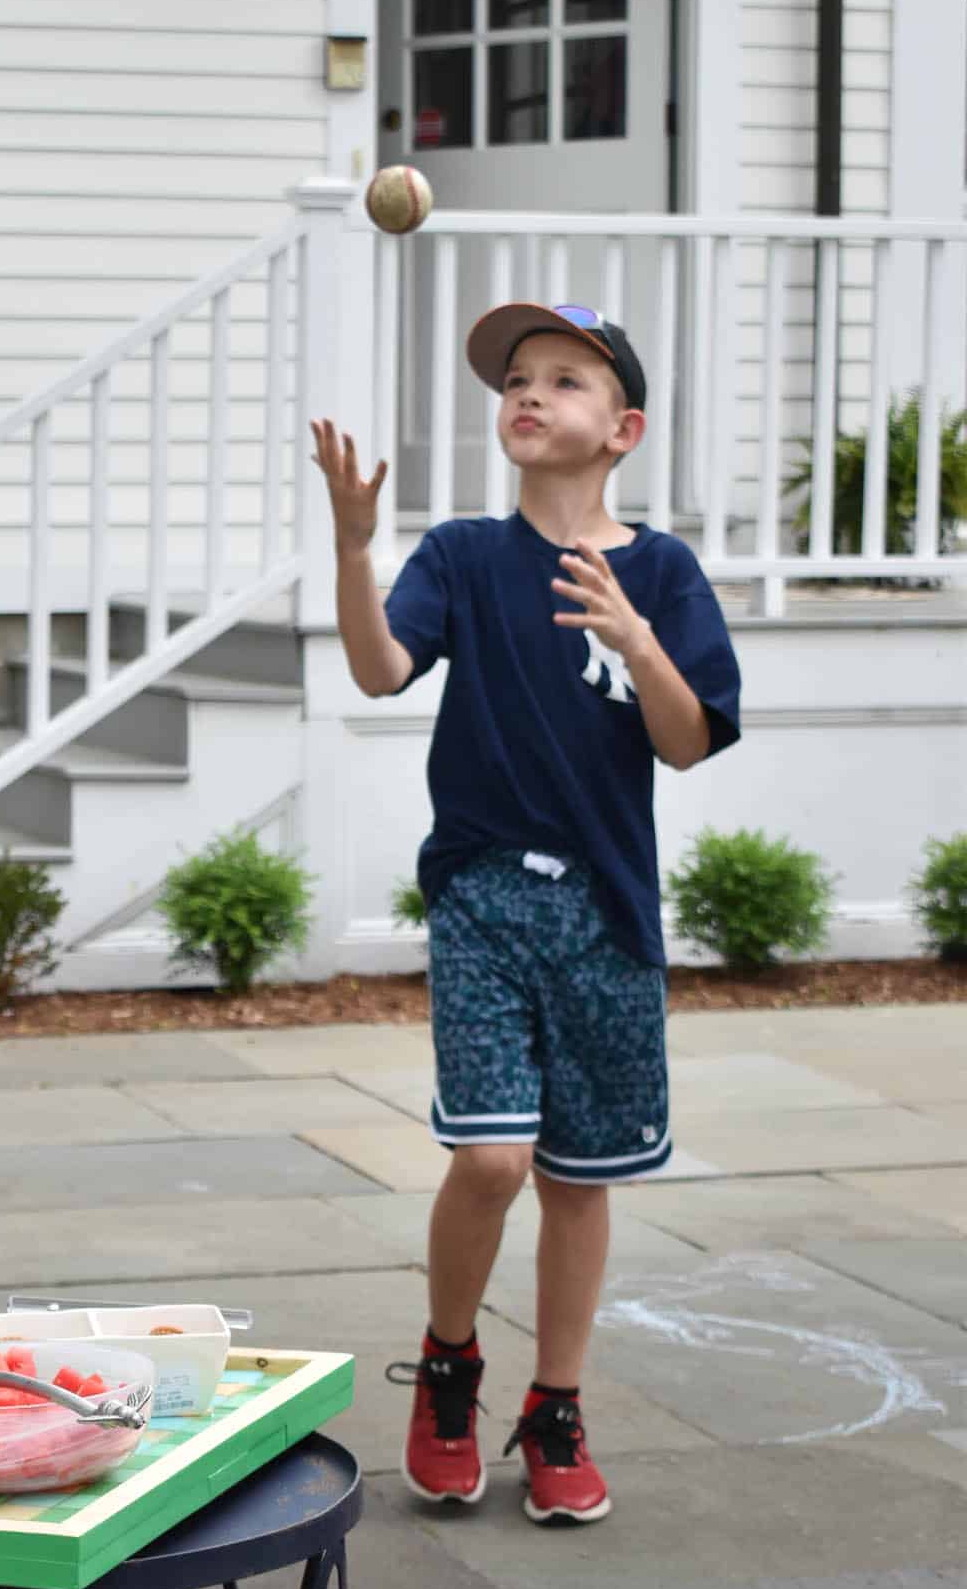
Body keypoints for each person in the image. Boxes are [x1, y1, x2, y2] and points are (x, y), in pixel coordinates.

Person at [312, 302, 741, 1525]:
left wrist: (637, 639)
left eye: (563, 380)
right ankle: (449, 1368)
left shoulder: (659, 572)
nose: (529, 394)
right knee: (491, 1157)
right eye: (516, 378)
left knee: (577, 1176)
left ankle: (555, 1408)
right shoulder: (459, 554)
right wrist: (354, 546)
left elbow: (688, 741)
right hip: (486, 892)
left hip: (606, 907)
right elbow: (379, 670)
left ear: (623, 427)